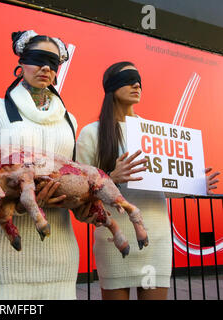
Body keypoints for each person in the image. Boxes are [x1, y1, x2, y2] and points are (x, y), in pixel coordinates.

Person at [75, 61, 220, 300]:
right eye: (128, 78)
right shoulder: (92, 133)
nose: (136, 84)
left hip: (156, 237)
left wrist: (193, 185)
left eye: (139, 79)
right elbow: (81, 190)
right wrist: (111, 178)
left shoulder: (152, 132)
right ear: (111, 87)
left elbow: (163, 187)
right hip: (114, 238)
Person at [0, 30, 80, 299]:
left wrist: (76, 198)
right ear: (20, 62)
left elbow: (73, 175)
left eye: (52, 62)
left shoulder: (70, 121)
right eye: (37, 58)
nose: (45, 67)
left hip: (59, 255)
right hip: (2, 255)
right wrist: (17, 203)